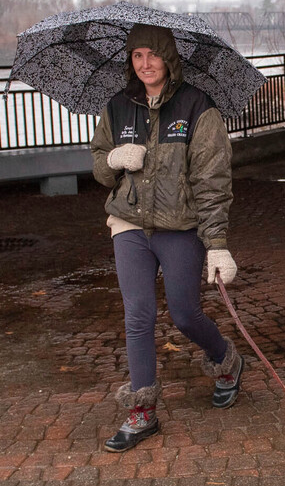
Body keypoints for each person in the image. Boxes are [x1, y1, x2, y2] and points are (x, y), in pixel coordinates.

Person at [89, 23, 243, 453]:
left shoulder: (197, 107)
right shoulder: (118, 107)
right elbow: (100, 167)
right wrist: (115, 159)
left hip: (180, 227)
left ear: (169, 58)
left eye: (152, 55)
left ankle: (226, 361)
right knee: (137, 316)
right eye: (137, 56)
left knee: (184, 314)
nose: (145, 64)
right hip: (129, 225)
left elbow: (213, 179)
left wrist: (217, 243)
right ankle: (143, 411)